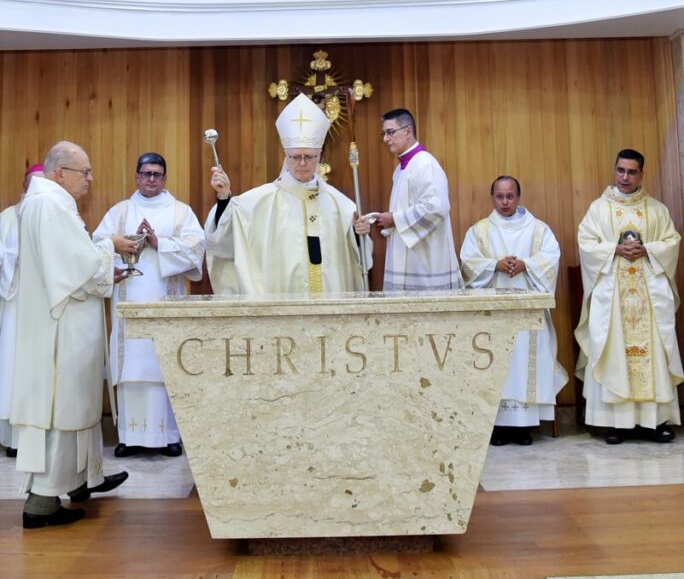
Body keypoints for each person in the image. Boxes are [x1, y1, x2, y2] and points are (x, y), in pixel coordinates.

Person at [10, 141, 128, 529]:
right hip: (60, 331)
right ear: (60, 173)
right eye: (85, 172)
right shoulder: (51, 205)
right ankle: (42, 506)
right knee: (61, 413)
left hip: (61, 326)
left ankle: (77, 482)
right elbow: (79, 269)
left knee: (69, 410)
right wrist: (108, 247)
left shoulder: (46, 203)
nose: (90, 180)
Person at [93, 153, 205, 459]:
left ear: (165, 178)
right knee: (131, 368)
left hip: (165, 305)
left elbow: (197, 249)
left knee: (163, 366)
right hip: (128, 303)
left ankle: (168, 436)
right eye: (146, 174)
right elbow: (96, 245)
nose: (151, 179)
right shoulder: (119, 213)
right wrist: (119, 248)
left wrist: (160, 243)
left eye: (157, 174)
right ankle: (129, 437)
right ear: (136, 176)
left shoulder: (181, 213)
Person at [205, 93, 369, 295]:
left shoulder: (340, 204)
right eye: (295, 157)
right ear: (286, 156)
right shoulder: (260, 200)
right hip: (282, 298)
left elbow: (359, 257)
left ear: (320, 156)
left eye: (309, 157)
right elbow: (223, 241)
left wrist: (358, 232)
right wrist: (224, 198)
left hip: (330, 299)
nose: (302, 163)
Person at [575, 148, 683, 444]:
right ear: (615, 170)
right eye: (621, 170)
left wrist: (649, 249)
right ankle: (615, 423)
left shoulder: (657, 210)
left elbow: (671, 241)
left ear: (641, 174)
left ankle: (655, 422)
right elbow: (585, 243)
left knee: (655, 353)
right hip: (613, 298)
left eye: (632, 172)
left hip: (648, 299)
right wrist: (614, 249)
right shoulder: (599, 209)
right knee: (613, 351)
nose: (625, 177)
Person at [460, 176, 568, 445]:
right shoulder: (480, 230)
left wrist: (526, 265)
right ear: (492, 197)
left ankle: (524, 427)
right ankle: (497, 427)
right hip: (494, 312)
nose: (505, 202)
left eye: (510, 196)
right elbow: (468, 263)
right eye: (499, 196)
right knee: (499, 363)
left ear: (519, 197)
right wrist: (494, 265)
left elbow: (550, 258)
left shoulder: (539, 230)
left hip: (527, 311)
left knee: (524, 363)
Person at [354, 108, 463, 291]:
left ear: (408, 131)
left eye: (391, 132)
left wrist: (395, 219)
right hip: (408, 255)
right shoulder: (401, 169)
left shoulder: (425, 164)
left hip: (425, 262)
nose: (385, 139)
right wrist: (386, 219)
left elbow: (437, 208)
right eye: (384, 133)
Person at [0, 164, 44, 457]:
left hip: (44, 306)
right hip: (16, 303)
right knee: (14, 366)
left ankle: (37, 437)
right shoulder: (6, 218)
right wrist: (14, 259)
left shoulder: (54, 216)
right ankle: (12, 437)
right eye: (33, 185)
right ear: (24, 185)